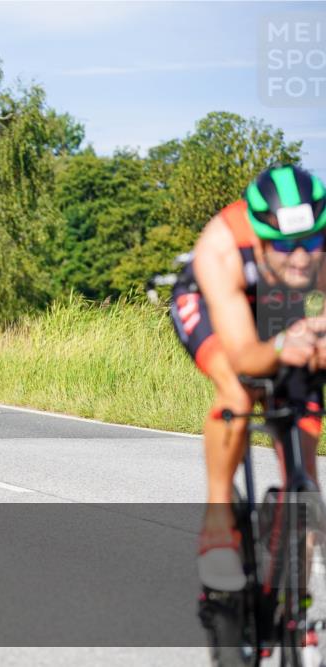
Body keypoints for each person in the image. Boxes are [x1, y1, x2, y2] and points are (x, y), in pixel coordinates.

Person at [169, 165, 326, 652]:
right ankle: (218, 520)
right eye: (282, 245)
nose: (299, 257)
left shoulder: (314, 250)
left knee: (305, 462)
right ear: (259, 238)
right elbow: (247, 355)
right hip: (215, 307)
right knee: (240, 390)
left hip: (282, 310)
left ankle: (292, 593)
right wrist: (285, 344)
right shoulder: (221, 245)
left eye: (310, 241)